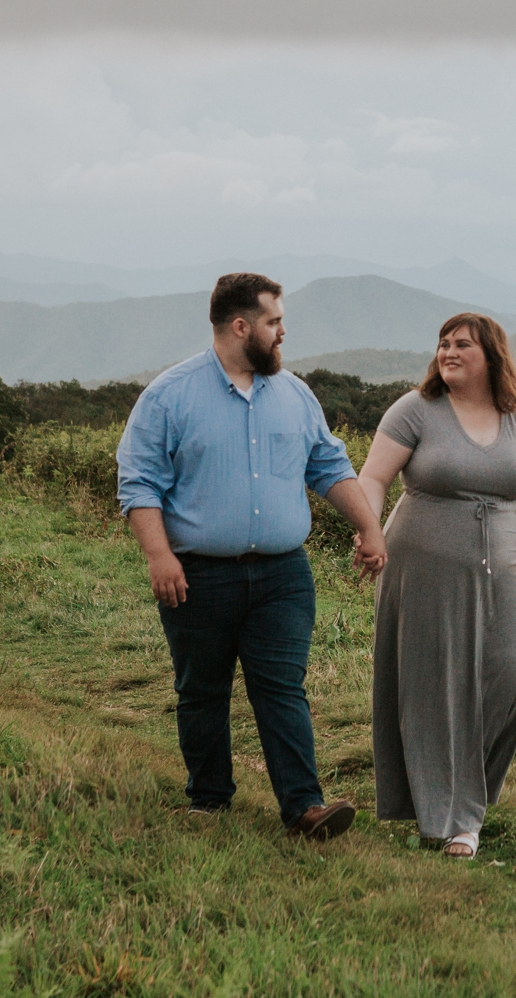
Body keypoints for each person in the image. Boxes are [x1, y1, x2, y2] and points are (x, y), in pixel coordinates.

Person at [116, 272, 389, 838]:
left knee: (281, 686)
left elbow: (330, 466)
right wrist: (159, 556)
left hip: (284, 575)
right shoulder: (169, 396)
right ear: (241, 327)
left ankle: (304, 809)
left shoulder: (294, 395)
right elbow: (139, 484)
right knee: (201, 689)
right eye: (274, 322)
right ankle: (209, 801)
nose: (283, 333)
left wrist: (370, 527)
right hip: (197, 574)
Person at [355, 313, 516, 858]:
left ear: (491, 355)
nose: (448, 351)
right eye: (443, 344)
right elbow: (373, 478)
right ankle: (458, 819)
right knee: (434, 692)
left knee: (515, 679)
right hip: (420, 567)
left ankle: (460, 796)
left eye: (462, 344)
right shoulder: (415, 410)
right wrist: (369, 531)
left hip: (505, 567)